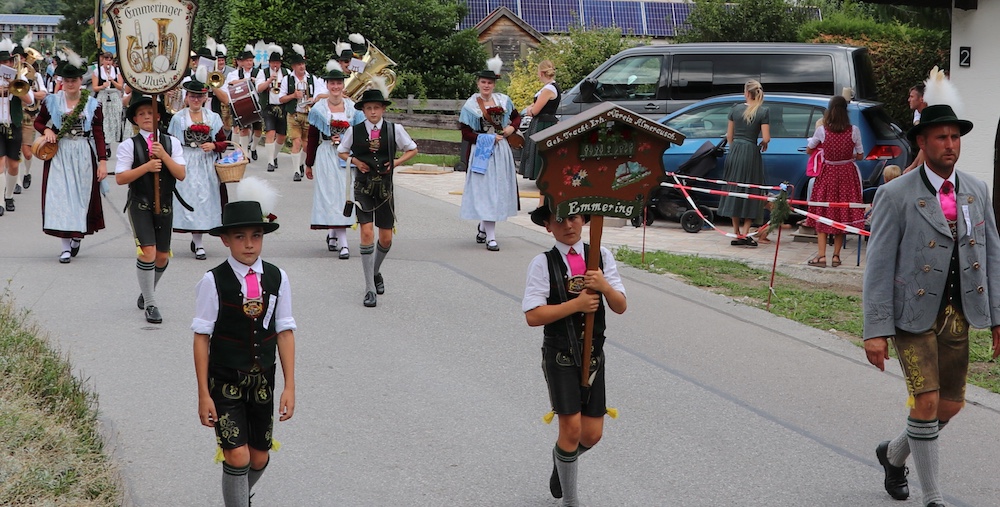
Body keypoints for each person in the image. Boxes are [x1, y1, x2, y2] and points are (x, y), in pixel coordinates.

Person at [863, 103, 1000, 507]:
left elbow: (992, 255)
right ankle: (933, 498)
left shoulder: (977, 190)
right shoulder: (894, 194)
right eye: (941, 137)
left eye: (955, 137)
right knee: (925, 401)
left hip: (959, 314)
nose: (950, 144)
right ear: (922, 142)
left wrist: (998, 319)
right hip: (911, 314)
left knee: (950, 406)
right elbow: (879, 266)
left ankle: (893, 455)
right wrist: (875, 330)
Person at [522, 202, 627, 506]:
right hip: (561, 355)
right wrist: (576, 305)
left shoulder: (601, 256)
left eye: (573, 217)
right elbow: (533, 315)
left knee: (591, 434)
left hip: (593, 356)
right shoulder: (543, 263)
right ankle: (571, 500)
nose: (568, 225)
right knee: (570, 428)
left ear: (584, 219)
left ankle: (562, 460)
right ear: (548, 226)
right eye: (559, 220)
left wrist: (604, 286)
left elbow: (620, 306)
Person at [192, 198, 296, 507]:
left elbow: (285, 332)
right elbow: (201, 338)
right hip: (224, 379)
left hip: (263, 380)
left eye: (256, 236)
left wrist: (290, 386)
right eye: (240, 237)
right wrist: (203, 394)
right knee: (237, 455)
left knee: (259, 457)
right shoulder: (213, 280)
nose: (249, 244)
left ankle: (237, 496)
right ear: (225, 240)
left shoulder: (277, 277)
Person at [337, 88, 418, 307]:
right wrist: (355, 161)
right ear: (363, 111)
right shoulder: (354, 131)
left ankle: (375, 271)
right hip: (362, 186)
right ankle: (369, 288)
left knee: (386, 238)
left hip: (384, 188)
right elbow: (341, 151)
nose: (373, 112)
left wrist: (396, 162)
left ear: (383, 109)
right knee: (366, 232)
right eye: (368, 108)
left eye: (376, 108)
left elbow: (412, 149)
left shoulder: (394, 129)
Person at [115, 95, 187, 324]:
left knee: (162, 257)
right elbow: (120, 178)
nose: (146, 117)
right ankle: (151, 303)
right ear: (135, 120)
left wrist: (163, 155)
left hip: (164, 204)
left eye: (150, 112)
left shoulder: (171, 143)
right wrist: (146, 166)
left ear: (158, 116)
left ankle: (147, 292)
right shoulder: (129, 145)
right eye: (141, 114)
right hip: (140, 203)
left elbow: (181, 174)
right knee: (148, 252)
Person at [33, 50, 105, 259]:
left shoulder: (92, 104)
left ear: (80, 81)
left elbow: (98, 133)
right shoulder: (53, 101)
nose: (70, 83)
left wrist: (102, 161)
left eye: (74, 80)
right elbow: (39, 121)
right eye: (67, 80)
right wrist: (47, 130)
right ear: (62, 81)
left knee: (81, 195)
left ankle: (77, 235)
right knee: (61, 197)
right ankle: (65, 246)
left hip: (83, 152)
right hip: (60, 153)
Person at [458, 56, 521, 252]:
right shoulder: (471, 106)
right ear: (478, 83)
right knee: (487, 192)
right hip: (481, 152)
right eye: (483, 82)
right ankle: (491, 238)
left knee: (496, 190)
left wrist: (510, 129)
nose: (486, 86)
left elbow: (516, 117)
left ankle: (484, 228)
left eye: (490, 83)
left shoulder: (504, 100)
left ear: (494, 84)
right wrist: (486, 139)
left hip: (501, 151)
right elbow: (466, 133)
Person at [304, 64, 363, 259]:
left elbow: (360, 134)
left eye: (338, 83)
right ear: (327, 85)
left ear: (343, 86)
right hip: (326, 154)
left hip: (346, 155)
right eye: (332, 83)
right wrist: (309, 163)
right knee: (330, 194)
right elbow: (312, 137)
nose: (335, 87)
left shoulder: (352, 108)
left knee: (344, 194)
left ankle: (337, 236)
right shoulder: (319, 109)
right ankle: (340, 239)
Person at [170, 68, 228, 261]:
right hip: (186, 160)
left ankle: (199, 241)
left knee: (204, 200)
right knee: (188, 199)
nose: (196, 100)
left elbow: (223, 142)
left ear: (205, 98)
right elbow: (171, 142)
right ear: (187, 97)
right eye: (192, 96)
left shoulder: (213, 117)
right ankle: (195, 238)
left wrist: (213, 145)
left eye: (199, 96)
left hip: (205, 163)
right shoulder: (178, 118)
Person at [804, 95, 864, 268]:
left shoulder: (822, 130)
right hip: (847, 175)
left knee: (822, 212)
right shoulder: (854, 130)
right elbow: (860, 155)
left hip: (828, 174)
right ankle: (836, 256)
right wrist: (848, 156)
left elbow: (809, 149)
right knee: (841, 213)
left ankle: (821, 256)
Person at [716, 80, 769, 247]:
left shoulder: (735, 109)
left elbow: (729, 136)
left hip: (735, 151)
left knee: (734, 189)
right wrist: (763, 144)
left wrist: (735, 148)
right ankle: (746, 233)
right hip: (751, 152)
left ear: (746, 93)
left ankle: (736, 232)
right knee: (751, 190)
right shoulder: (763, 111)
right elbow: (766, 137)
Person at [0, 38, 36, 214]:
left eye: (8, 61)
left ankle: (8, 196)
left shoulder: (19, 77)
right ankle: (0, 202)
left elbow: (30, 100)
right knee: (0, 163)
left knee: (13, 165)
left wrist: (14, 87)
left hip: (13, 124)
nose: (6, 64)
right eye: (2, 62)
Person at [279, 44, 323, 182]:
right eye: (299, 64)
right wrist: (293, 95)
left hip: (309, 114)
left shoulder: (313, 79)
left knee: (307, 143)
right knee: (296, 141)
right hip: (294, 114)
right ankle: (296, 171)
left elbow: (319, 95)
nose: (302, 66)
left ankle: (301, 164)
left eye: (303, 64)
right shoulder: (287, 79)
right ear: (293, 66)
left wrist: (313, 99)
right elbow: (281, 98)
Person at [519, 59, 560, 184]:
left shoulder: (548, 89)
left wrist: (529, 110)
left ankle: (542, 177)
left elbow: (534, 111)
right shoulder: (551, 87)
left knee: (540, 151)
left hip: (543, 124)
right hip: (546, 122)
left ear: (541, 73)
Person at [15, 38, 46, 195]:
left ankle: (27, 173)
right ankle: (17, 182)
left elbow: (43, 94)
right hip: (14, 114)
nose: (20, 60)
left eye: (22, 57)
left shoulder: (35, 75)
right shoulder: (10, 75)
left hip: (29, 114)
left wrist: (28, 93)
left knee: (27, 152)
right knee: (15, 152)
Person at [255, 45, 288, 173]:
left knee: (282, 136)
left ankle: (274, 156)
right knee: (270, 132)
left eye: (278, 63)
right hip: (268, 106)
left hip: (282, 106)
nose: (275, 65)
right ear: (269, 63)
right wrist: (269, 81)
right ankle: (270, 162)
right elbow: (259, 89)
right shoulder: (262, 73)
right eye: (273, 62)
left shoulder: (286, 73)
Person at [225, 45, 262, 161]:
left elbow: (261, 84)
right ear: (243, 62)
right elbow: (231, 83)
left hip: (256, 103)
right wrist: (246, 80)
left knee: (258, 130)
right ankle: (245, 154)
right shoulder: (235, 73)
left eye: (251, 60)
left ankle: (253, 147)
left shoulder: (259, 72)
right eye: (247, 61)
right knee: (243, 129)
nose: (249, 63)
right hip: (241, 104)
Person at [92, 51, 124, 158]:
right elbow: (95, 88)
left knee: (113, 122)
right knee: (103, 120)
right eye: (106, 60)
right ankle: (105, 145)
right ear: (103, 60)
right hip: (103, 96)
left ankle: (109, 143)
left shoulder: (116, 70)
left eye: (110, 60)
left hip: (114, 96)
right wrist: (103, 86)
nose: (108, 62)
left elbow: (120, 86)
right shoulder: (97, 71)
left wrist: (112, 81)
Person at [905, 83, 928, 174]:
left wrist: (914, 167)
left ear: (921, 99)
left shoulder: (929, 117)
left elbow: (925, 146)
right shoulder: (918, 113)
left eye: (912, 96)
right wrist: (913, 167)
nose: (908, 100)